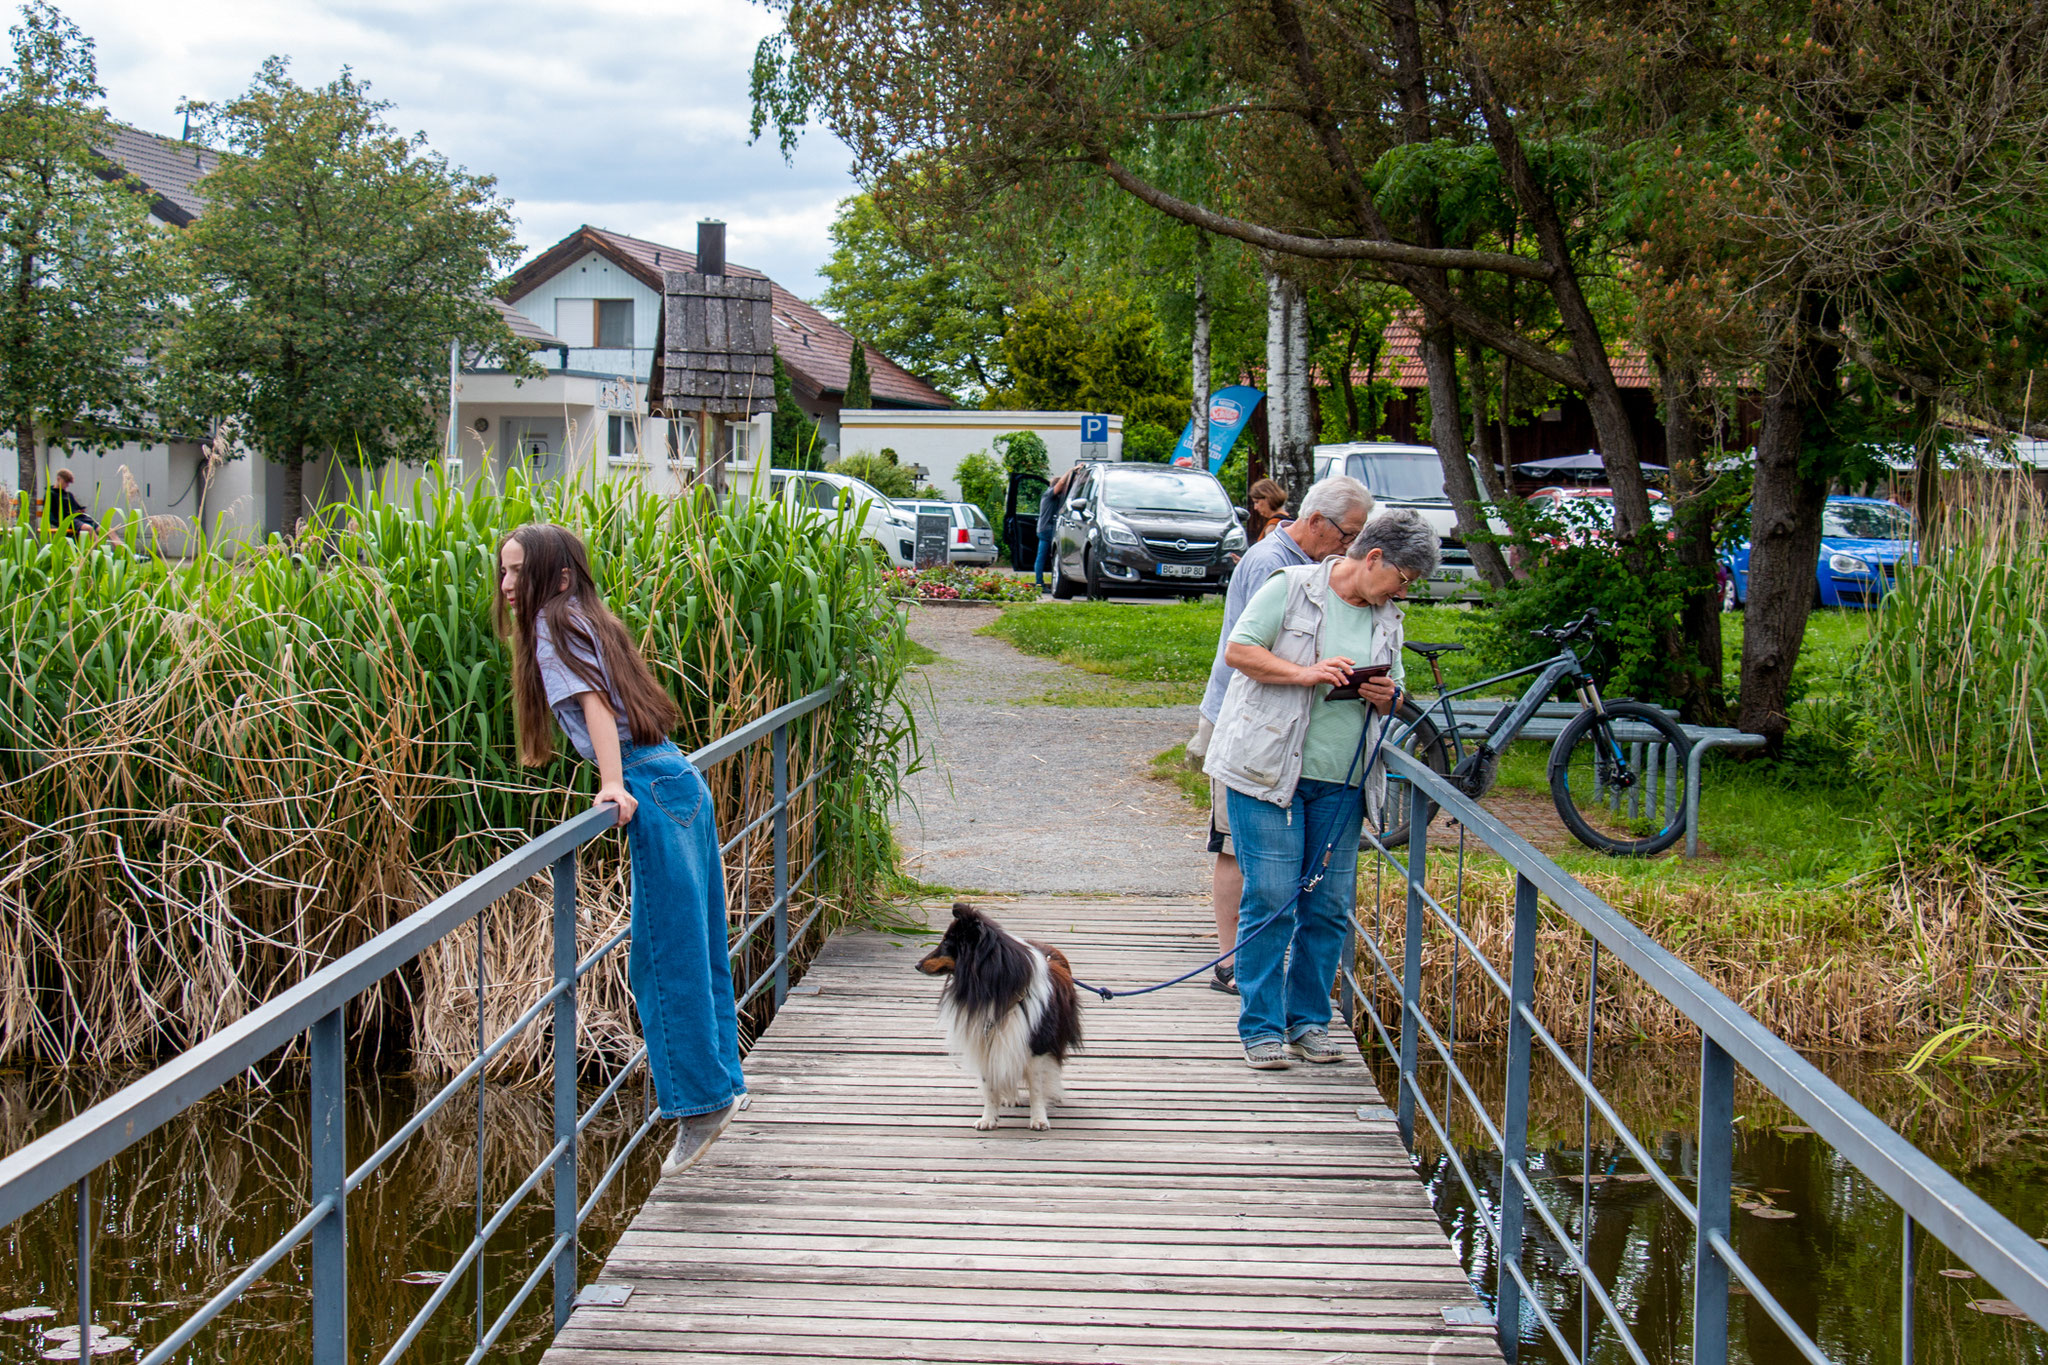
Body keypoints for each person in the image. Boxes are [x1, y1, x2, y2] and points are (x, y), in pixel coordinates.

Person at [496, 523, 747, 1174]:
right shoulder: (586, 613)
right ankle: (723, 1084)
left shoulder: (553, 621)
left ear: (552, 574)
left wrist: (611, 781)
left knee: (662, 957)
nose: (506, 585)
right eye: (503, 572)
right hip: (679, 773)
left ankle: (699, 1106)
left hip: (644, 777)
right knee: (697, 942)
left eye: (516, 571)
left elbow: (596, 703)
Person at [1204, 509, 1440, 1069]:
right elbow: (1240, 652)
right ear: (1375, 557)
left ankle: (1307, 1021)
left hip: (1345, 781)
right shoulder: (1291, 587)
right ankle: (1260, 1027)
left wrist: (1388, 695)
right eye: (1403, 578)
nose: (1404, 590)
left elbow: (1399, 688)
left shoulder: (1388, 616)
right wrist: (1306, 672)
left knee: (1328, 906)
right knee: (1271, 901)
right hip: (1267, 774)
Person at [1186, 476, 1373, 995]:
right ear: (1316, 522)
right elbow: (1254, 653)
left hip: (1282, 727)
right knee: (1233, 845)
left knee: (1257, 850)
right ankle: (1232, 962)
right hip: (1243, 724)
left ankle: (1252, 956)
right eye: (1346, 532)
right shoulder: (1274, 565)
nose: (1348, 545)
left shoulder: (1310, 562)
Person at [1034, 468, 1073, 592]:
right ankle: (1040, 584)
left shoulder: (1051, 496)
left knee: (1042, 556)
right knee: (1053, 555)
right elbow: (1061, 484)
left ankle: (1040, 583)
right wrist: (1071, 471)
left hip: (1043, 528)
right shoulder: (1050, 494)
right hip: (1047, 529)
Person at [44, 469, 100, 537]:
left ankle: (115, 545)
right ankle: (98, 546)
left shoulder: (69, 495)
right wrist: (58, 523)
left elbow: (77, 508)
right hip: (66, 520)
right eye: (66, 482)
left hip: (78, 518)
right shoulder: (50, 494)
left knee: (103, 529)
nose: (67, 485)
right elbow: (49, 513)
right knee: (88, 528)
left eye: (69, 483)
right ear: (58, 479)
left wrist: (80, 510)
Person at [1245, 479, 1288, 544]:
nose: (1255, 507)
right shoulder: (1288, 520)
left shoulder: (1274, 525)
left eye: (1257, 502)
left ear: (1268, 498)